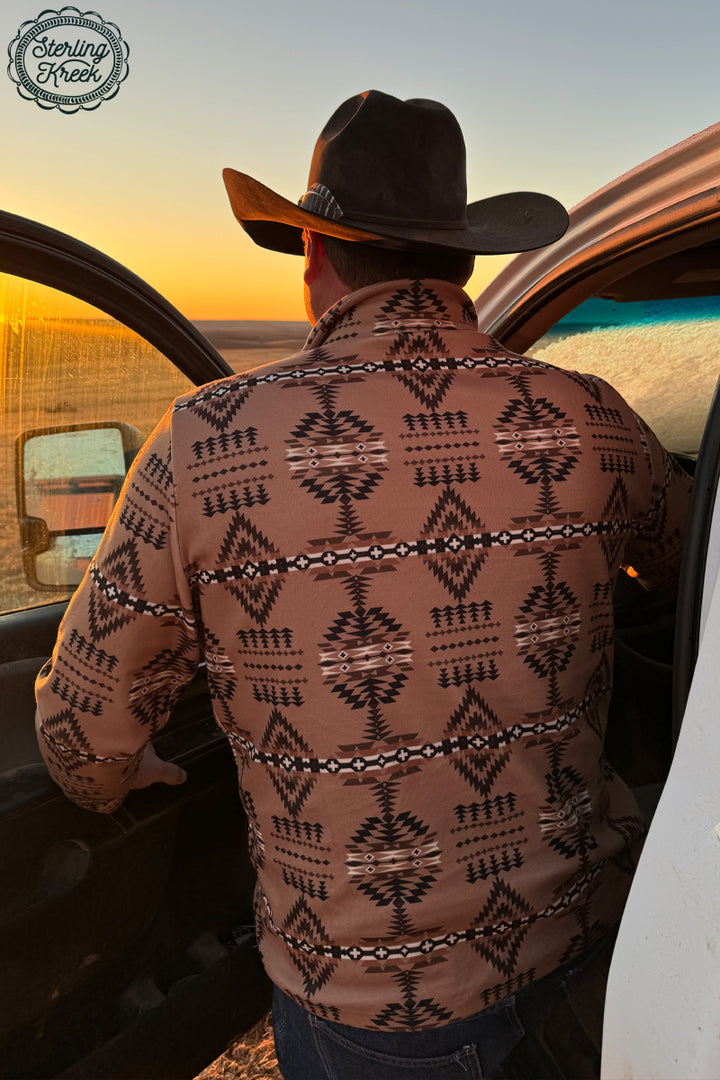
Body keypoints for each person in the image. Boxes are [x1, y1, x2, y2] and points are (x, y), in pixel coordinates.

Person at [35, 91, 692, 1079]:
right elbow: (690, 565)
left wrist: (135, 768)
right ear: (461, 262)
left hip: (373, 1014)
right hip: (591, 954)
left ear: (315, 255)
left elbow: (82, 745)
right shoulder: (592, 418)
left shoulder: (207, 444)